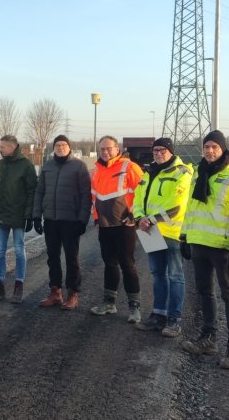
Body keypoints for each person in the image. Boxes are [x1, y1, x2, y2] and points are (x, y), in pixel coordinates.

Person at [178, 131, 229, 369]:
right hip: (199, 242)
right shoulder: (198, 173)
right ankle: (208, 338)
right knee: (204, 293)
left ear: (223, 149)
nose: (210, 151)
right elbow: (190, 207)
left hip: (223, 247)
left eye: (214, 147)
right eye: (206, 147)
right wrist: (184, 236)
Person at [133, 137, 192, 338]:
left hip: (171, 232)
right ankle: (158, 315)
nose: (158, 153)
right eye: (156, 150)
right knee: (157, 274)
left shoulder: (182, 173)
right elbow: (138, 198)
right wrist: (139, 217)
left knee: (175, 275)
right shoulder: (148, 173)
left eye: (162, 150)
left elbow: (177, 205)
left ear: (171, 151)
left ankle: (174, 319)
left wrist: (150, 220)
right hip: (149, 230)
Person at [88, 135, 145, 322]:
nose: (105, 152)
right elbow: (94, 198)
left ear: (117, 148)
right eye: (102, 149)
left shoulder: (129, 167)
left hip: (125, 225)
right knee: (109, 263)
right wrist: (96, 220)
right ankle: (109, 303)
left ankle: (134, 308)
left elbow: (143, 193)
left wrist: (134, 216)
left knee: (128, 265)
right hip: (105, 226)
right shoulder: (97, 170)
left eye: (109, 148)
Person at [33, 135, 92, 310]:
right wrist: (37, 215)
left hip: (71, 221)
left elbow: (85, 195)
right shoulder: (48, 166)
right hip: (51, 220)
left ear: (69, 147)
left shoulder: (79, 166)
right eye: (57, 145)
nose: (60, 147)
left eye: (63, 145)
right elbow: (40, 191)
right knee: (52, 257)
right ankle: (55, 292)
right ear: (53, 148)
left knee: (71, 258)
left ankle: (73, 294)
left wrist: (83, 219)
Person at [0, 135, 37, 303]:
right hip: (0, 215)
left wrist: (29, 216)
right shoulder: (1, 165)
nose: (0, 149)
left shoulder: (26, 166)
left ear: (12, 147)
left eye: (2, 147)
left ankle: (18, 286)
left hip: (19, 216)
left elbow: (32, 192)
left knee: (19, 250)